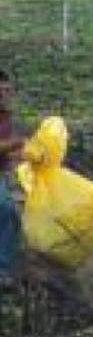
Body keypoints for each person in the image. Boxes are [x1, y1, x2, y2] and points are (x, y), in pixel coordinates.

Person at [0, 69, 27, 286]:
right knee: (8, 211)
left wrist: (28, 156)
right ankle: (5, 270)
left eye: (7, 90)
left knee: (11, 212)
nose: (4, 94)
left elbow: (8, 153)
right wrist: (17, 144)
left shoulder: (6, 116)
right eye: (1, 90)